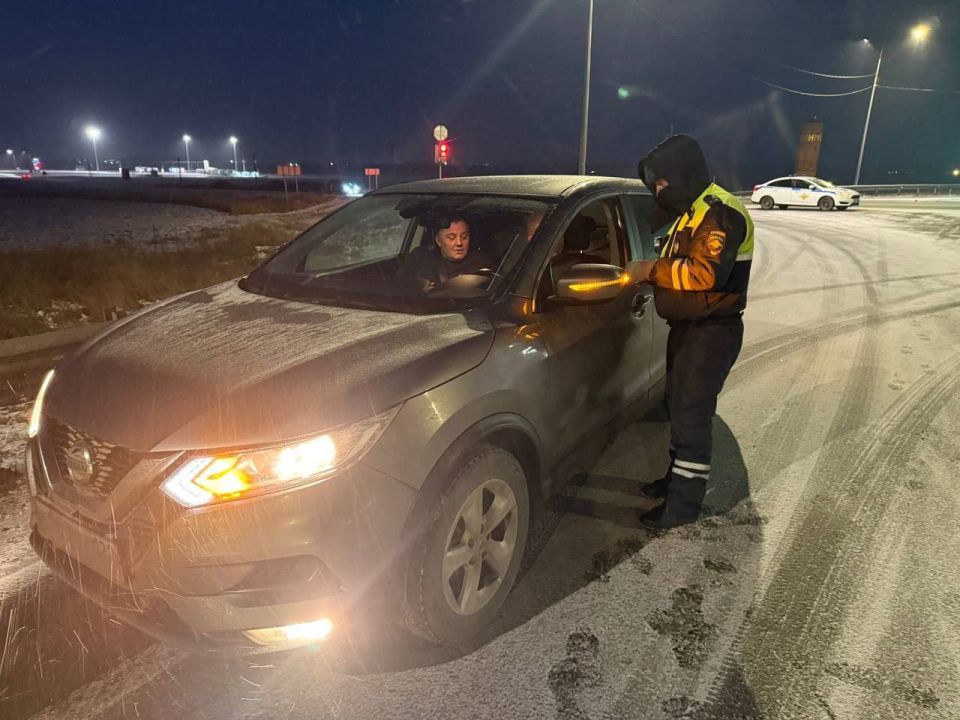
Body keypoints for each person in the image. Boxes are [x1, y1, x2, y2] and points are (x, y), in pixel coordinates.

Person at [626, 134, 754, 529]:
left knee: (692, 417)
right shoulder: (693, 210)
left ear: (683, 174)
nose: (659, 190)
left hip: (712, 332)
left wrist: (648, 271)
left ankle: (681, 509)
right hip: (690, 329)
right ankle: (675, 481)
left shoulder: (719, 213)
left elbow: (703, 273)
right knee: (679, 410)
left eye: (662, 182)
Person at [401, 217, 493, 292]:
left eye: (464, 237)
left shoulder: (481, 262)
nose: (459, 243)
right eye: (451, 237)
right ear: (438, 240)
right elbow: (399, 286)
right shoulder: (419, 258)